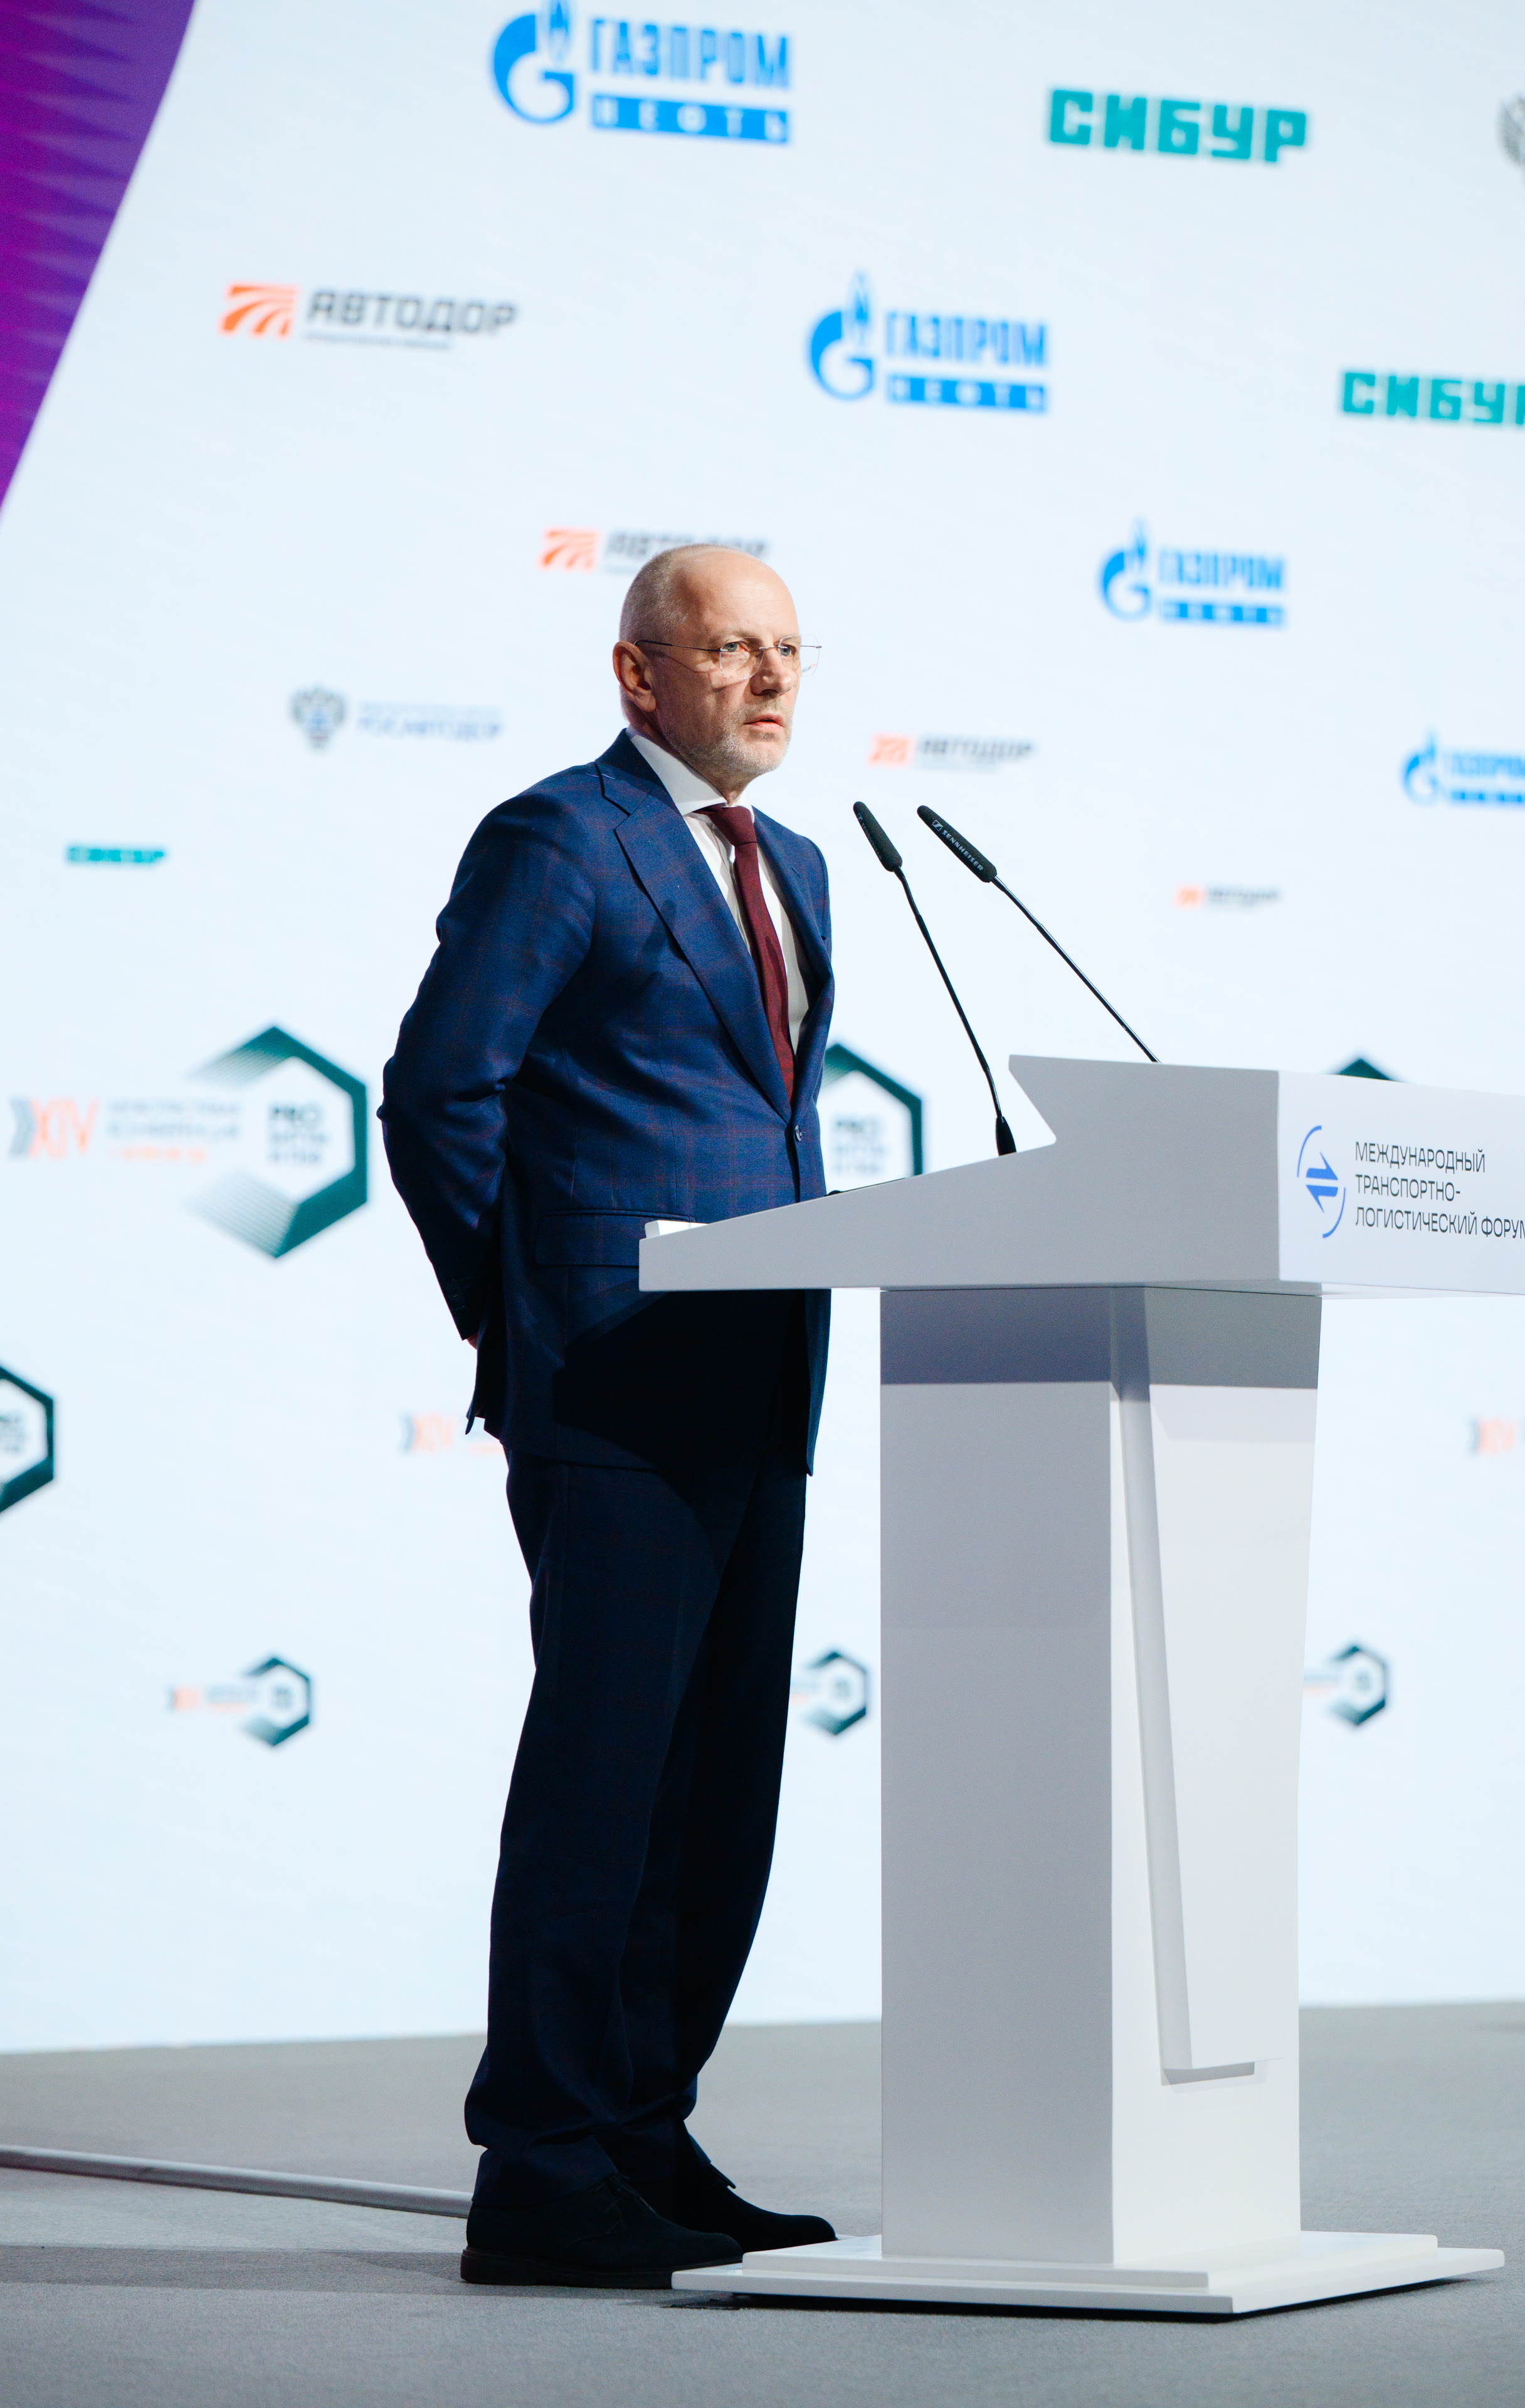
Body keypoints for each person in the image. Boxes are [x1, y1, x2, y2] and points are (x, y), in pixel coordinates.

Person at [381, 545, 837, 2286]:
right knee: (604, 1785)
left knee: (716, 1795)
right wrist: (523, 1311)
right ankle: (544, 2164)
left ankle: (646, 2130)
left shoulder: (797, 865)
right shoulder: (561, 839)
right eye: (731, 649)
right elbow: (441, 1091)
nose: (770, 679)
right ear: (641, 672)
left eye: (788, 650)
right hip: (614, 1384)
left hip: (759, 1377)